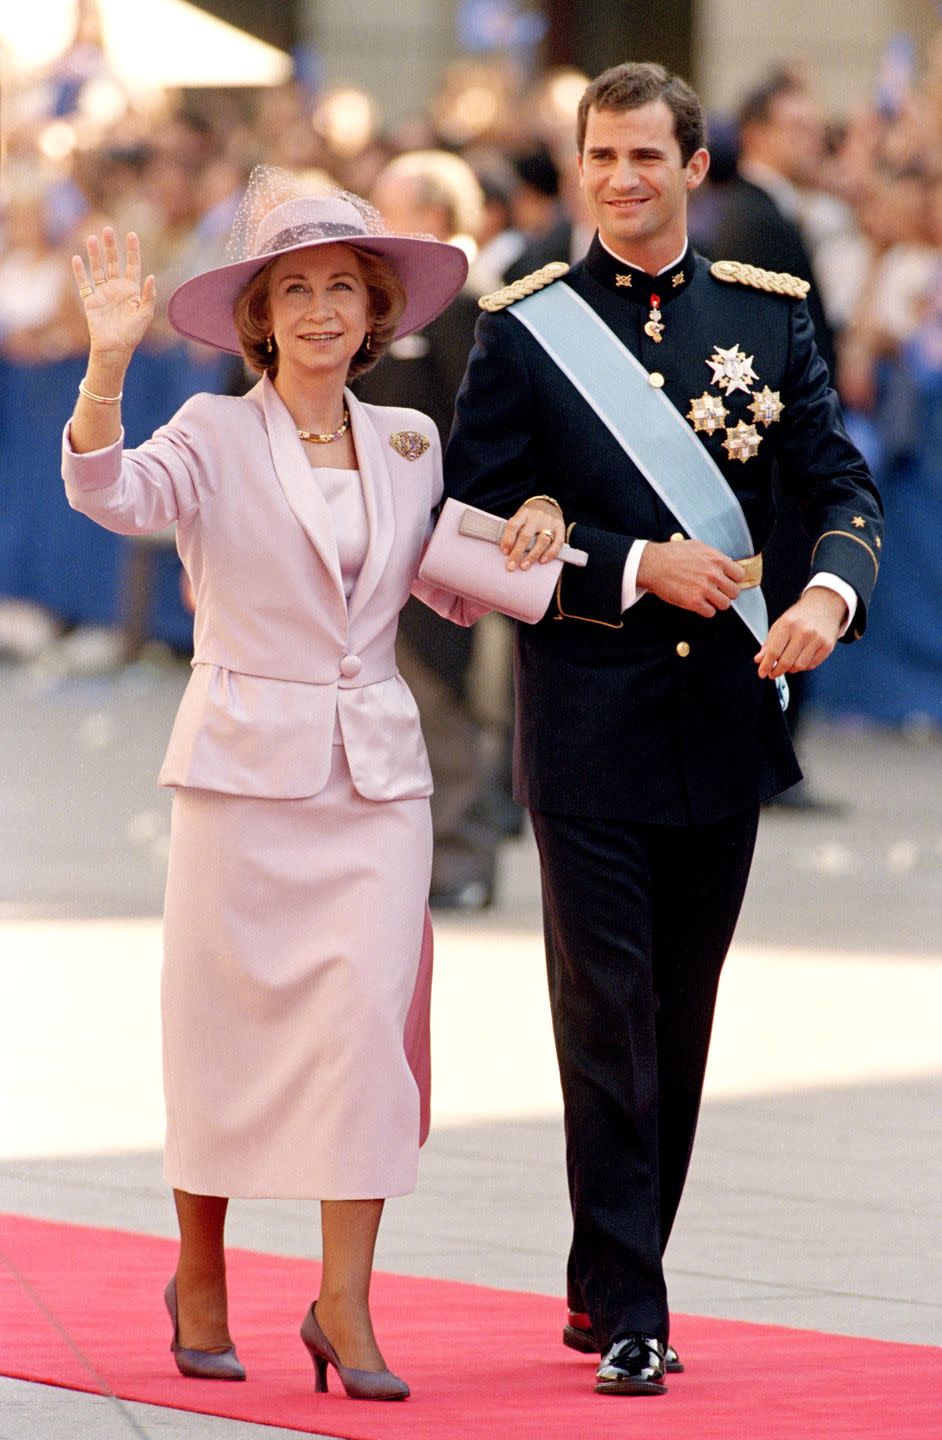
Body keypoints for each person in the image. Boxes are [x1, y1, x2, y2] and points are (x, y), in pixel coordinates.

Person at [444, 61, 882, 1397]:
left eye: (646, 157)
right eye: (600, 158)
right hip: (585, 723)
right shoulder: (523, 333)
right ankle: (634, 1302)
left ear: (694, 169)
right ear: (577, 169)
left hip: (723, 720)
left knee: (676, 1021)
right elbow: (467, 534)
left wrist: (821, 592)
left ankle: (605, 1275)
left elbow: (835, 482)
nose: (621, 181)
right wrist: (631, 566)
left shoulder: (768, 316)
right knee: (605, 1014)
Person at [62, 175, 478, 1403]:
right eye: (291, 288)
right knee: (224, 1036)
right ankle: (200, 1273)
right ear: (258, 317)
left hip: (378, 784)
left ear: (373, 309)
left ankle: (343, 1302)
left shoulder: (411, 440)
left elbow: (443, 582)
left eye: (339, 287)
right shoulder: (210, 431)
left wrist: (540, 539)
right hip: (242, 775)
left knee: (364, 1034)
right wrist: (104, 369)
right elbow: (111, 495)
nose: (316, 309)